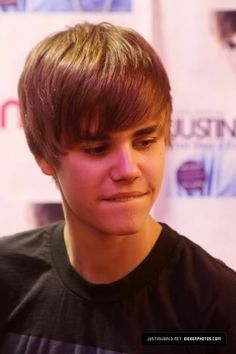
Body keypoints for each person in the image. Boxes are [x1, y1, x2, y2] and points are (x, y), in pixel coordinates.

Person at [0, 22, 235, 354]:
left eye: (145, 141)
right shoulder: (7, 278)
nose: (128, 170)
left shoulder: (217, 304)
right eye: (98, 149)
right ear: (44, 154)